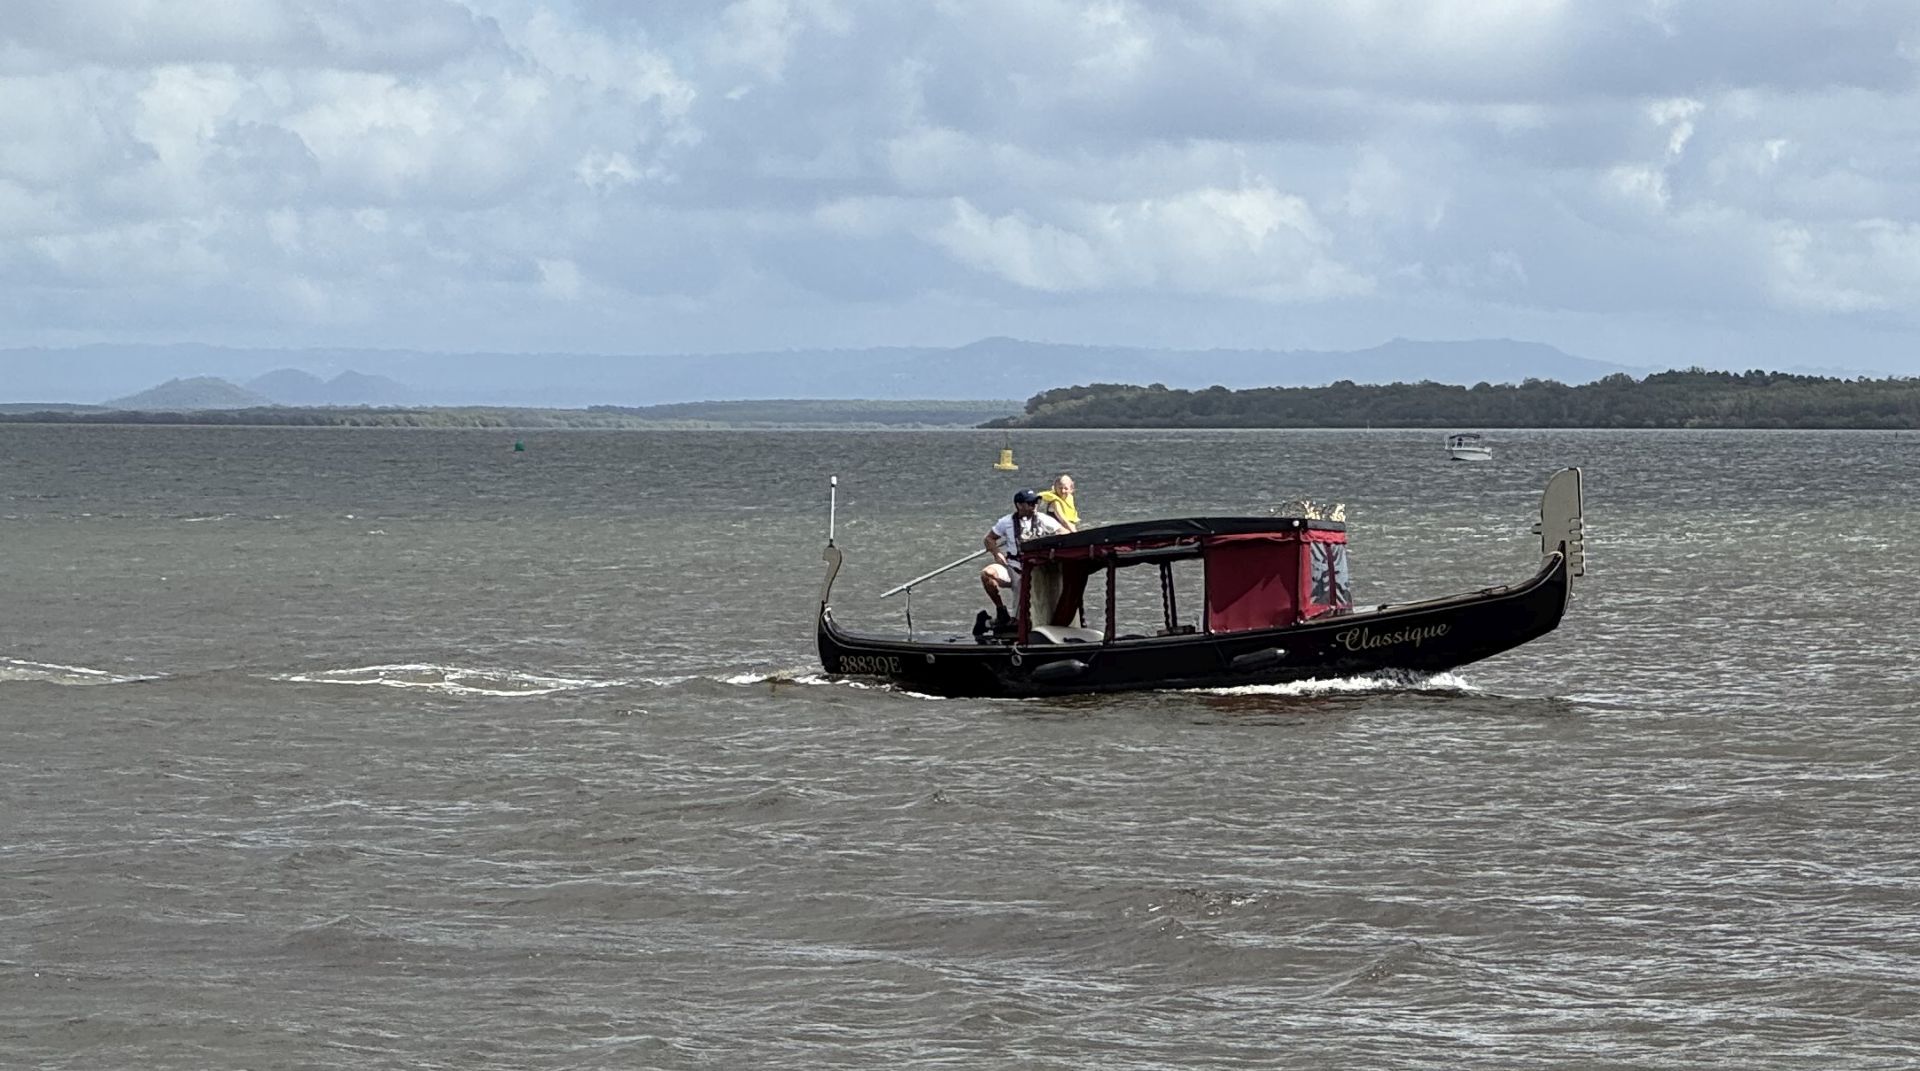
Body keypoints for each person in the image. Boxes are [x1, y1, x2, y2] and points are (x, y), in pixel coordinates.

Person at [979, 488, 1067, 631]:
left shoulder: (1043, 519)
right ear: (1019, 505)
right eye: (1030, 503)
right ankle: (1002, 612)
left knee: (1024, 583)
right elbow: (989, 539)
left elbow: (1064, 533)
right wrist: (997, 553)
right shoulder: (1006, 522)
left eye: (1036, 502)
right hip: (1013, 567)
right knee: (987, 574)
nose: (1034, 506)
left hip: (1036, 569)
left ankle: (1021, 619)